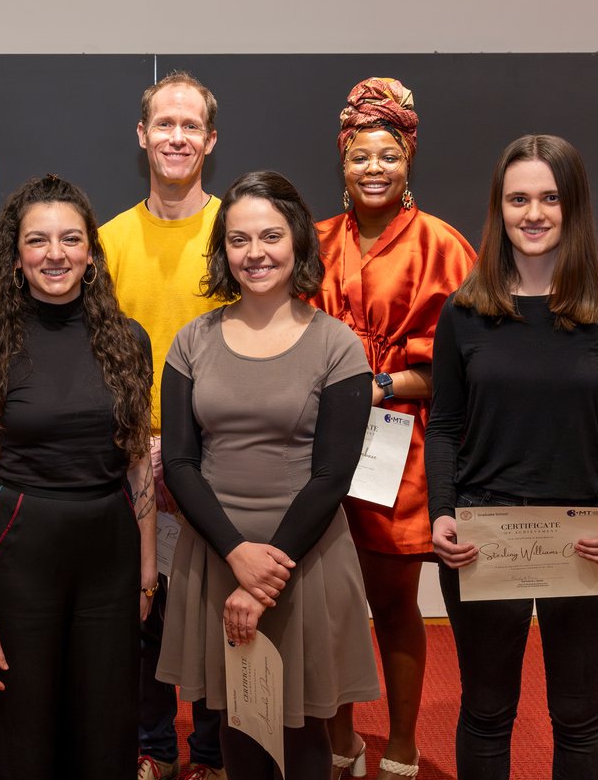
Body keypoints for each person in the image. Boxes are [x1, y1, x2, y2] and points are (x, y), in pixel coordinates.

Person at [425, 134, 598, 779]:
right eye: (518, 198)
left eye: (550, 198)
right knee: (486, 713)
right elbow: (443, 427)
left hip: (585, 540)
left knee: (579, 718)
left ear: (573, 207)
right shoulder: (464, 312)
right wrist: (444, 514)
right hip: (483, 539)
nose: (533, 213)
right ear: (498, 208)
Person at [158, 170, 380, 780]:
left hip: (302, 557)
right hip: (216, 553)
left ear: (299, 243)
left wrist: (262, 576)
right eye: (238, 239)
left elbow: (333, 476)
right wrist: (236, 556)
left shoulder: (337, 346)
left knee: (301, 727)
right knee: (235, 718)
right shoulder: (191, 342)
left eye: (271, 236)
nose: (254, 253)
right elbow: (179, 462)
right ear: (223, 251)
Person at [0, 174, 156, 780]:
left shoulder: (129, 340)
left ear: (91, 251)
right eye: (38, 241)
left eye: (70, 239)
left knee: (106, 729)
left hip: (110, 554)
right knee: (25, 733)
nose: (55, 254)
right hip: (21, 553)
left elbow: (138, 458)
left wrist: (146, 568)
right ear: (16, 255)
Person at [312, 77, 476, 779]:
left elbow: (465, 366)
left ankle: (403, 743)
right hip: (321, 447)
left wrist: (376, 384)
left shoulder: (443, 246)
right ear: (341, 162)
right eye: (359, 157)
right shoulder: (316, 240)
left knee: (392, 600)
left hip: (400, 446)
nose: (373, 169)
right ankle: (340, 738)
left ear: (409, 158)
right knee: (328, 602)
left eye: (388, 155)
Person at [99, 69, 227, 780]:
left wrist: (190, 446)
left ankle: (210, 753)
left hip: (218, 456)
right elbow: (95, 354)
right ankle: (153, 748)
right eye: (164, 124)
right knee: (142, 617)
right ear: (143, 135)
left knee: (210, 615)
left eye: (191, 126)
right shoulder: (107, 239)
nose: (176, 137)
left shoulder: (238, 231)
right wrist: (141, 446)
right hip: (131, 460)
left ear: (210, 140)